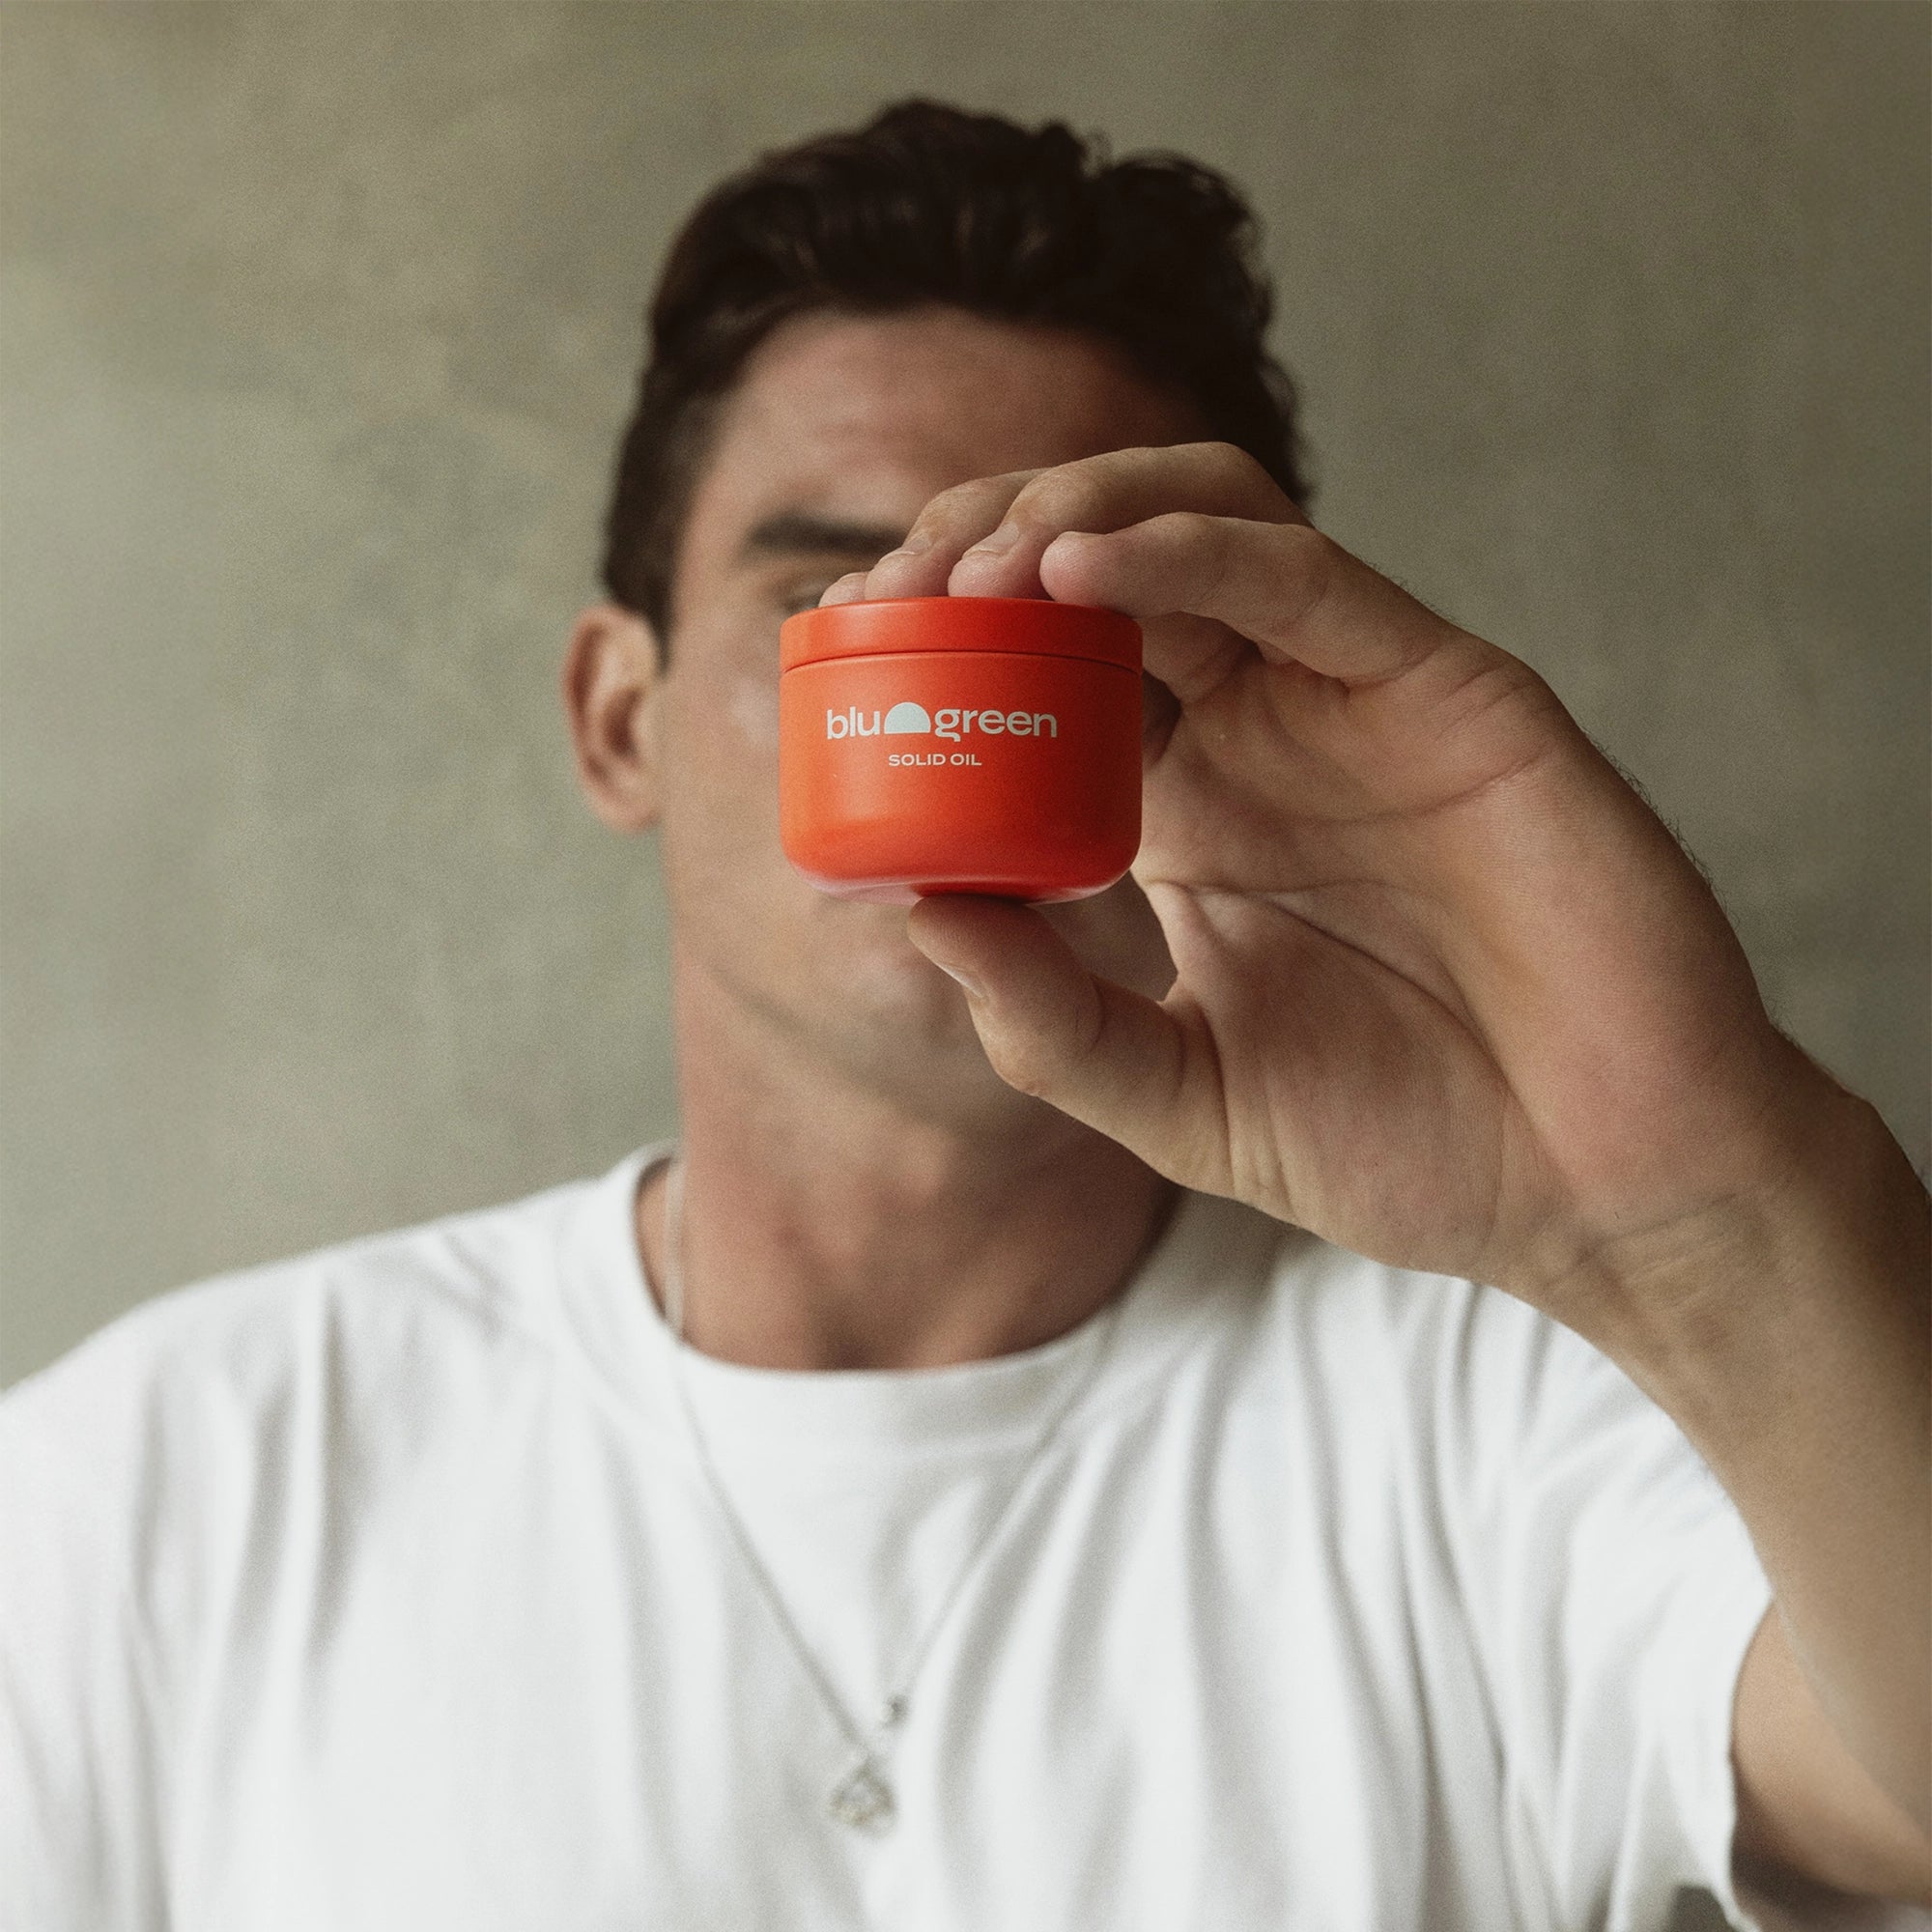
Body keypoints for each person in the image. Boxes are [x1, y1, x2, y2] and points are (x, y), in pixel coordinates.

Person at [2, 99, 1925, 1932]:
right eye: (826, 604)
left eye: (1053, 642)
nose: (933, 703)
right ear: (618, 720)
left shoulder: (1510, 1409)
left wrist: (1706, 1207)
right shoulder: (161, 1485)